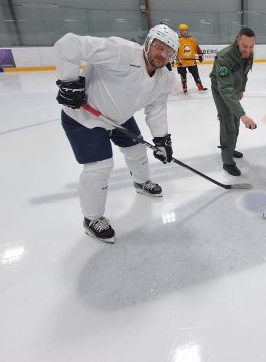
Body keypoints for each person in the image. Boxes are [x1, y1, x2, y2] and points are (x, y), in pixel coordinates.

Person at [53, 24, 179, 243]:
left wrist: (162, 140)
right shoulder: (121, 52)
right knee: (100, 167)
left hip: (118, 118)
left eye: (168, 51)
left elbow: (157, 109)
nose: (162, 54)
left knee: (137, 149)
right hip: (84, 116)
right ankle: (92, 218)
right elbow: (69, 44)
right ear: (148, 43)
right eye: (159, 47)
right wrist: (69, 82)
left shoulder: (165, 78)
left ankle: (141, 182)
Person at [210, 27, 257, 176]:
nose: (247, 50)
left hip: (235, 88)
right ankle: (227, 162)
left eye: (251, 46)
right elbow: (224, 88)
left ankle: (230, 149)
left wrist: (241, 89)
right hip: (221, 90)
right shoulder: (224, 57)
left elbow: (244, 73)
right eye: (244, 46)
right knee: (228, 124)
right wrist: (243, 115)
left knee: (235, 121)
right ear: (237, 40)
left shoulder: (249, 54)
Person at [176, 23, 207, 93]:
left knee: (196, 74)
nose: (184, 32)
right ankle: (184, 88)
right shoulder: (177, 40)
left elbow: (197, 48)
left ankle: (200, 87)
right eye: (182, 30)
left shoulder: (192, 39)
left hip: (191, 61)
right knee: (183, 75)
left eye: (185, 30)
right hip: (181, 61)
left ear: (187, 31)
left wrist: (200, 55)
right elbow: (174, 50)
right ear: (180, 32)